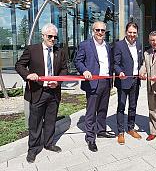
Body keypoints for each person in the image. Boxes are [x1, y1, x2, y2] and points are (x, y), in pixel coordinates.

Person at [15, 23, 67, 163]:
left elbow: (64, 70)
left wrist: (58, 82)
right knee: (35, 122)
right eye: (49, 36)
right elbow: (19, 65)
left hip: (53, 92)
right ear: (43, 36)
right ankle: (33, 149)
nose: (52, 39)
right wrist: (28, 75)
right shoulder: (32, 50)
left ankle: (49, 143)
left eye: (55, 37)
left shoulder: (59, 51)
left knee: (50, 120)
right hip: (37, 92)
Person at [74, 21, 114, 152]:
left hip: (106, 82)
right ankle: (90, 137)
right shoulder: (85, 45)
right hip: (92, 83)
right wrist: (84, 70)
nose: (100, 33)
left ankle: (101, 130)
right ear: (93, 31)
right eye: (98, 30)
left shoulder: (108, 46)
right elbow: (78, 61)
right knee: (91, 112)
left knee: (103, 109)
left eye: (103, 30)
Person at [114, 22, 143, 145]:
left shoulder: (139, 45)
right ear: (126, 32)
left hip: (135, 81)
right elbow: (115, 63)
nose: (132, 35)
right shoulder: (119, 45)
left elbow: (140, 62)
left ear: (137, 33)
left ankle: (131, 128)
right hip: (123, 81)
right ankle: (120, 132)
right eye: (130, 32)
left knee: (133, 106)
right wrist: (119, 72)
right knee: (121, 107)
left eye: (134, 33)